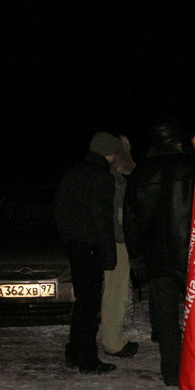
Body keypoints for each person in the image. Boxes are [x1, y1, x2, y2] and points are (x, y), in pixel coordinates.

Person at [123, 120, 195, 386]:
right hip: (191, 254)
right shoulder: (191, 167)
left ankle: (172, 372)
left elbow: (130, 220)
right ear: (178, 140)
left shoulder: (141, 172)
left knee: (165, 318)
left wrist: (137, 256)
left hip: (156, 257)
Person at [54, 132, 119, 374]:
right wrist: (108, 254)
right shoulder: (101, 176)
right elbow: (102, 219)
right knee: (90, 305)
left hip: (75, 244)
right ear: (110, 152)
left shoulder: (73, 172)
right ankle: (88, 359)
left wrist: (69, 238)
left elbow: (59, 209)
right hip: (90, 246)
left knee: (82, 302)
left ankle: (75, 350)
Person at [101, 135, 139, 359]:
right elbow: (117, 217)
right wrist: (125, 239)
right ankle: (113, 342)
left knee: (111, 292)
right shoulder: (115, 180)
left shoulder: (102, 176)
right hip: (115, 243)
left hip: (105, 242)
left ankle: (111, 339)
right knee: (116, 293)